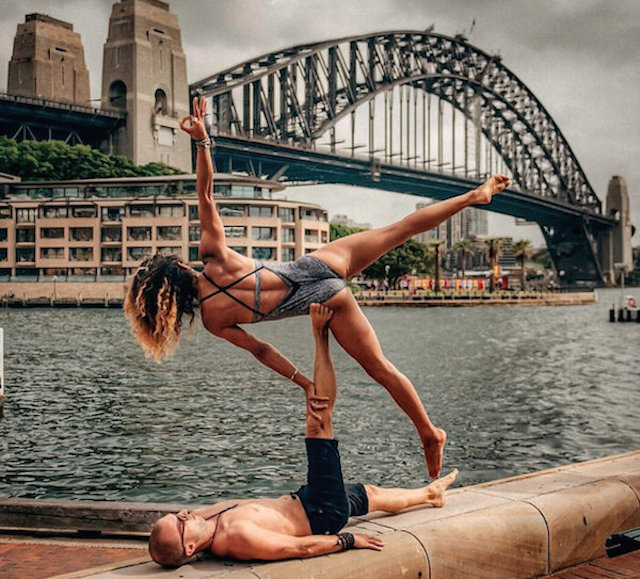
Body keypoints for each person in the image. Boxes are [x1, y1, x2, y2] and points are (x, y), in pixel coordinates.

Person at [125, 96, 510, 479]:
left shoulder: (213, 320)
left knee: (379, 368)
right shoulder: (213, 256)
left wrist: (304, 383)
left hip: (326, 301)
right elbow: (205, 194)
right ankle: (475, 196)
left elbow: (262, 350)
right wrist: (203, 140)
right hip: (317, 265)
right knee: (400, 229)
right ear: (178, 266)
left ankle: (428, 432)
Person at [148, 304, 458, 567]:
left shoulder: (203, 521)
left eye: (179, 514)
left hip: (308, 499)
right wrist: (349, 539)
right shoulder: (234, 538)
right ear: (189, 548)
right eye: (179, 522)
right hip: (321, 511)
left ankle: (430, 495)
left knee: (371, 495)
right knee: (318, 420)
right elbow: (298, 549)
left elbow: (260, 349)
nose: (186, 515)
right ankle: (320, 334)